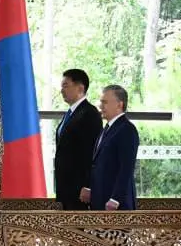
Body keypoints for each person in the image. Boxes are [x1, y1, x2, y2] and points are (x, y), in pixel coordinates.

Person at [81, 84, 139, 212]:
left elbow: (126, 168)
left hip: (116, 205)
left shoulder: (127, 129)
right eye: (101, 102)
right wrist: (89, 187)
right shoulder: (106, 129)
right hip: (100, 200)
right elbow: (97, 163)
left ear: (119, 104)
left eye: (105, 102)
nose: (100, 106)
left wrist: (115, 199)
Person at [53, 68, 103, 211]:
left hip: (80, 189)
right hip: (66, 187)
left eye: (65, 86)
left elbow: (92, 153)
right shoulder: (69, 114)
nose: (62, 90)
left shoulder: (89, 113)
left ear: (80, 88)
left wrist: (88, 185)